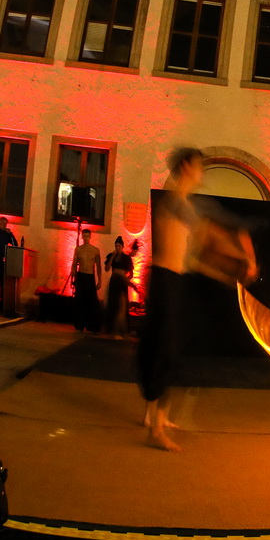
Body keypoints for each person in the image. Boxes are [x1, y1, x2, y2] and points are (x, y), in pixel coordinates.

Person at [140, 148, 203, 450]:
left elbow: (193, 251)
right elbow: (207, 234)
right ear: (187, 167)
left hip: (170, 280)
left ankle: (153, 417)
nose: (201, 171)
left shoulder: (178, 201)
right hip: (166, 281)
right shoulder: (176, 201)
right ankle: (156, 428)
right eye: (199, 165)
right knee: (166, 351)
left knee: (161, 348)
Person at [103, 237, 137, 336]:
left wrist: (126, 280)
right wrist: (112, 257)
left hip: (122, 282)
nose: (117, 248)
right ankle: (111, 328)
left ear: (122, 247)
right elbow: (107, 268)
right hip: (114, 281)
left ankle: (122, 330)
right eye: (116, 246)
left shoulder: (126, 258)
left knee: (122, 305)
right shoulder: (111, 256)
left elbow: (131, 274)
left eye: (119, 246)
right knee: (112, 302)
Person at [70, 228, 102, 333]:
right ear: (82, 237)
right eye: (84, 236)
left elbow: (98, 266)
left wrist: (100, 281)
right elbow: (74, 264)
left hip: (90, 277)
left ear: (90, 236)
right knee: (80, 302)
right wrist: (73, 277)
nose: (86, 238)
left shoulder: (95, 250)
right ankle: (80, 325)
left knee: (91, 302)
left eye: (87, 236)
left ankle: (92, 326)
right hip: (81, 276)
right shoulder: (78, 249)